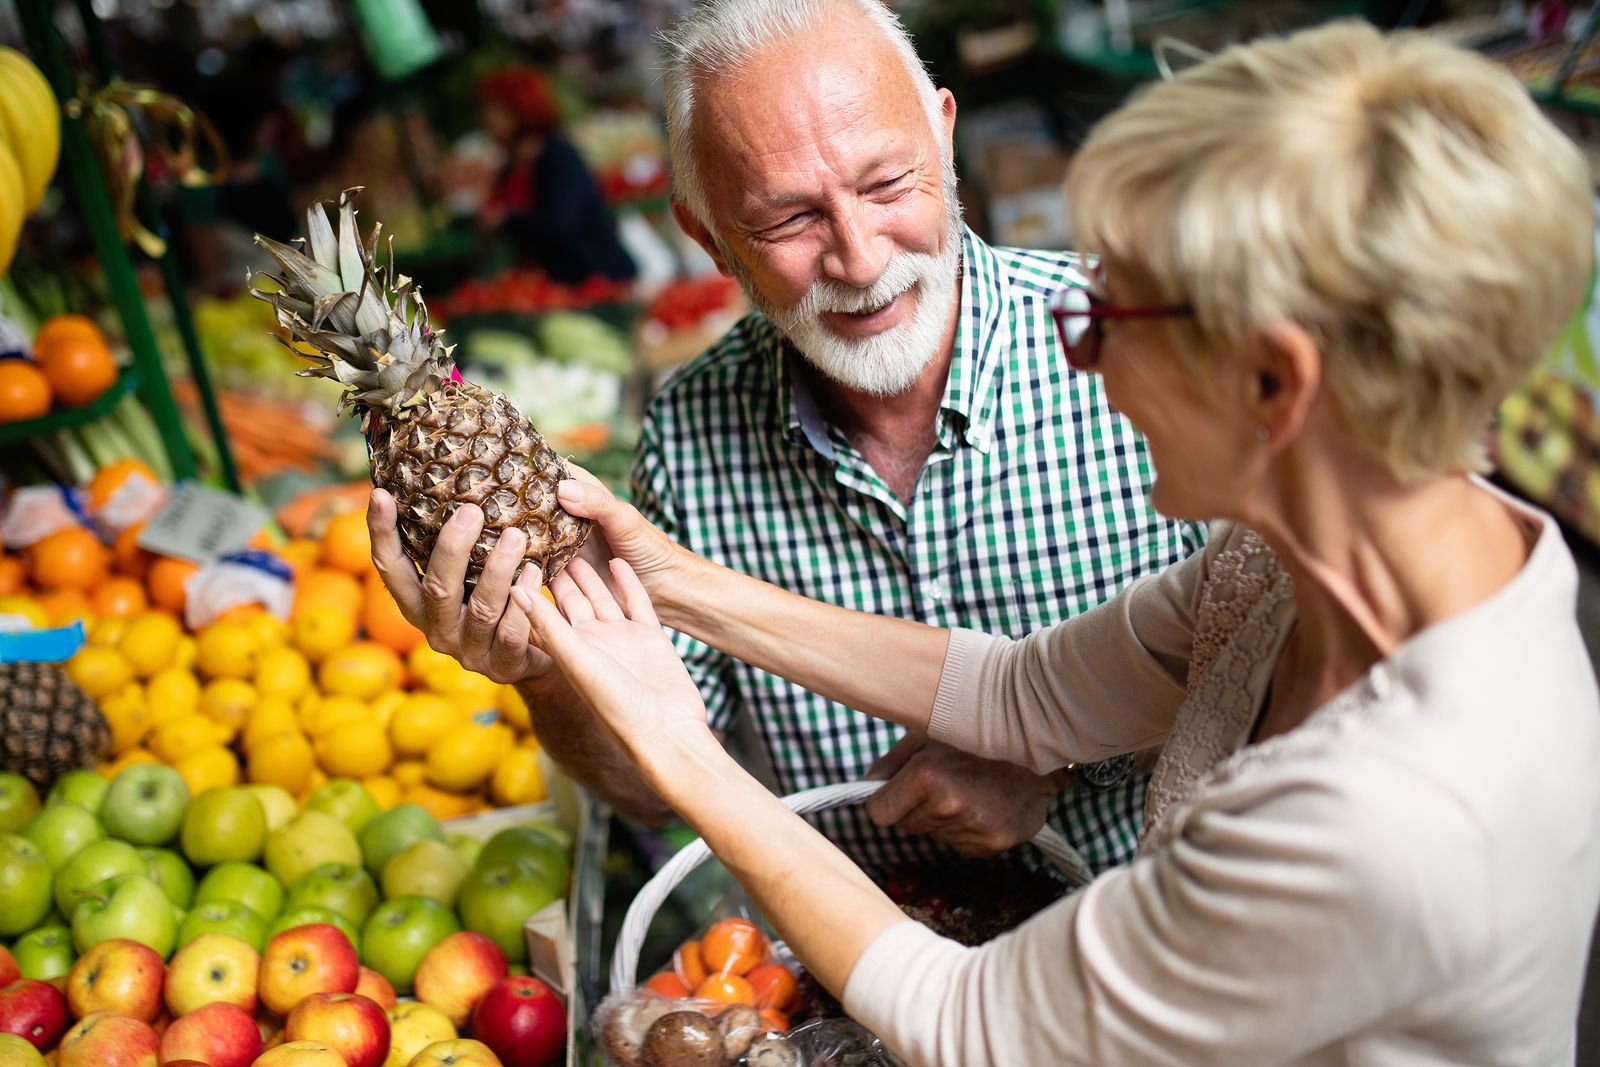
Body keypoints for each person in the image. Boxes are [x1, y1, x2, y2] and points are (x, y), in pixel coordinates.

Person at [512, 20, 1600, 1066]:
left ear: (1273, 382)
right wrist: (676, 584)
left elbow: (970, 1021)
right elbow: (1025, 691)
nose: (1080, 359)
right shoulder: (1292, 563)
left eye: (1105, 319)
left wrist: (681, 743)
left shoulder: (1383, 807)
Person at [370, 0, 1199, 879]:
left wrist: (1057, 763)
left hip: (1149, 945)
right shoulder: (693, 433)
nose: (861, 257)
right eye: (788, 221)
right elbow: (656, 788)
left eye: (886, 185)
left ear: (944, 138)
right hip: (846, 990)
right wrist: (550, 674)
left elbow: (1274, 671)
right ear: (710, 238)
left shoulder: (1141, 345)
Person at [475, 66, 636, 285]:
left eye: (495, 109)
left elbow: (558, 225)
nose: (487, 118)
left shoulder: (558, 158)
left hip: (594, 280)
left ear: (521, 108)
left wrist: (506, 220)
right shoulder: (511, 165)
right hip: (550, 287)